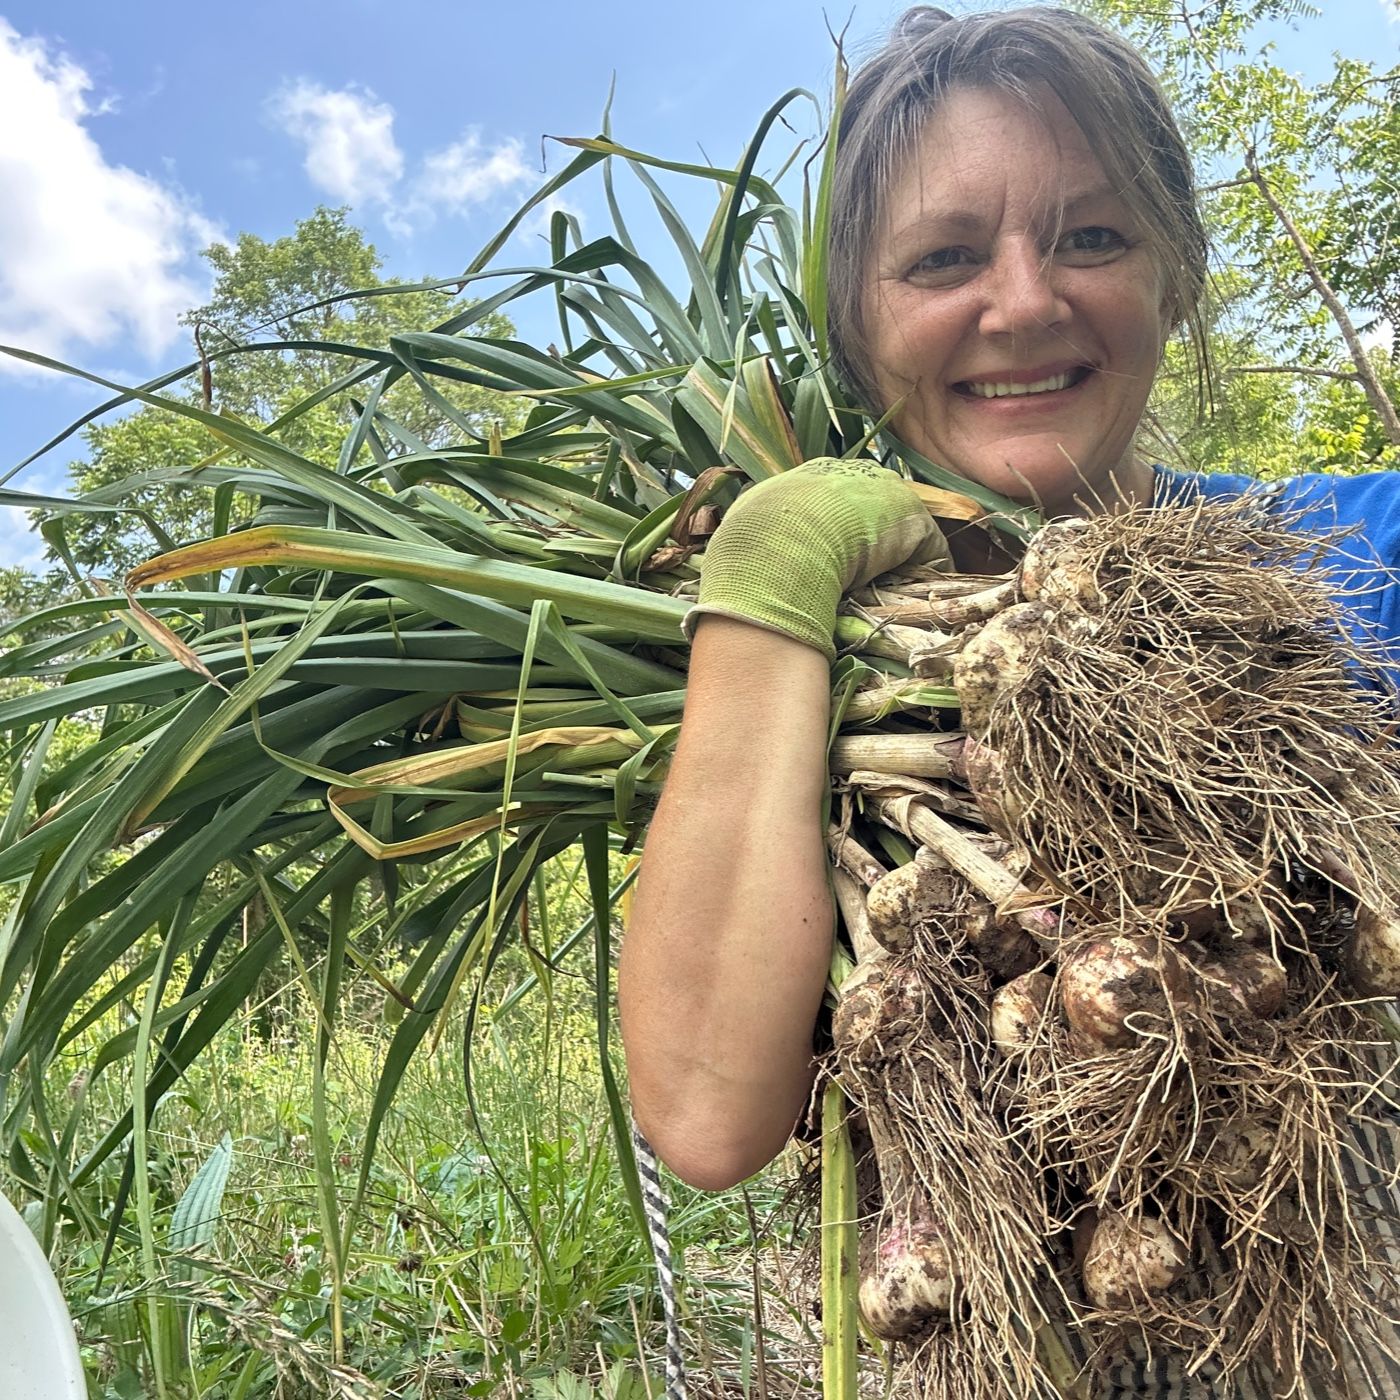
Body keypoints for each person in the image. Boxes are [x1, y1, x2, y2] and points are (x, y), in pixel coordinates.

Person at [617, 6, 1400, 1395]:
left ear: (1176, 277)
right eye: (944, 258)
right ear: (857, 329)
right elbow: (708, 1117)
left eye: (1092, 236)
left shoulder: (1355, 556)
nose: (1026, 302)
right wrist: (771, 577)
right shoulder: (830, 683)